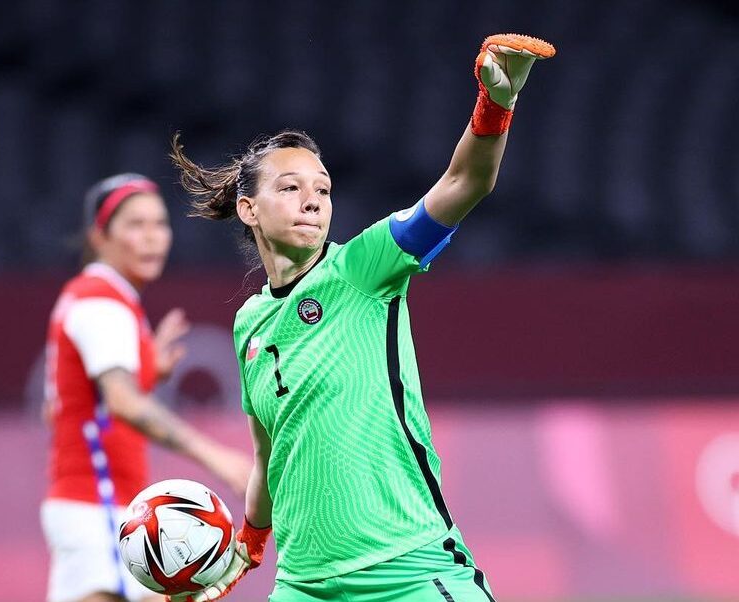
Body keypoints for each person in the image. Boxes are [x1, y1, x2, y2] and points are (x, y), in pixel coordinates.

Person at [168, 34, 555, 602]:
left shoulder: (363, 267)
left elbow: (464, 182)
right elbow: (268, 455)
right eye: (291, 187)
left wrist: (496, 103)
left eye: (322, 189)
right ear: (248, 209)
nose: (313, 200)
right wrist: (250, 544)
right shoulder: (248, 324)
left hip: (409, 568)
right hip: (304, 584)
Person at [41, 173, 253, 602]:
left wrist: (145, 374)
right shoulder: (102, 303)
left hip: (94, 505)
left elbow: (61, 409)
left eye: (159, 223)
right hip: (98, 504)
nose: (152, 237)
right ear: (99, 236)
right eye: (135, 225)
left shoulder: (94, 297)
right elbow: (123, 403)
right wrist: (217, 457)